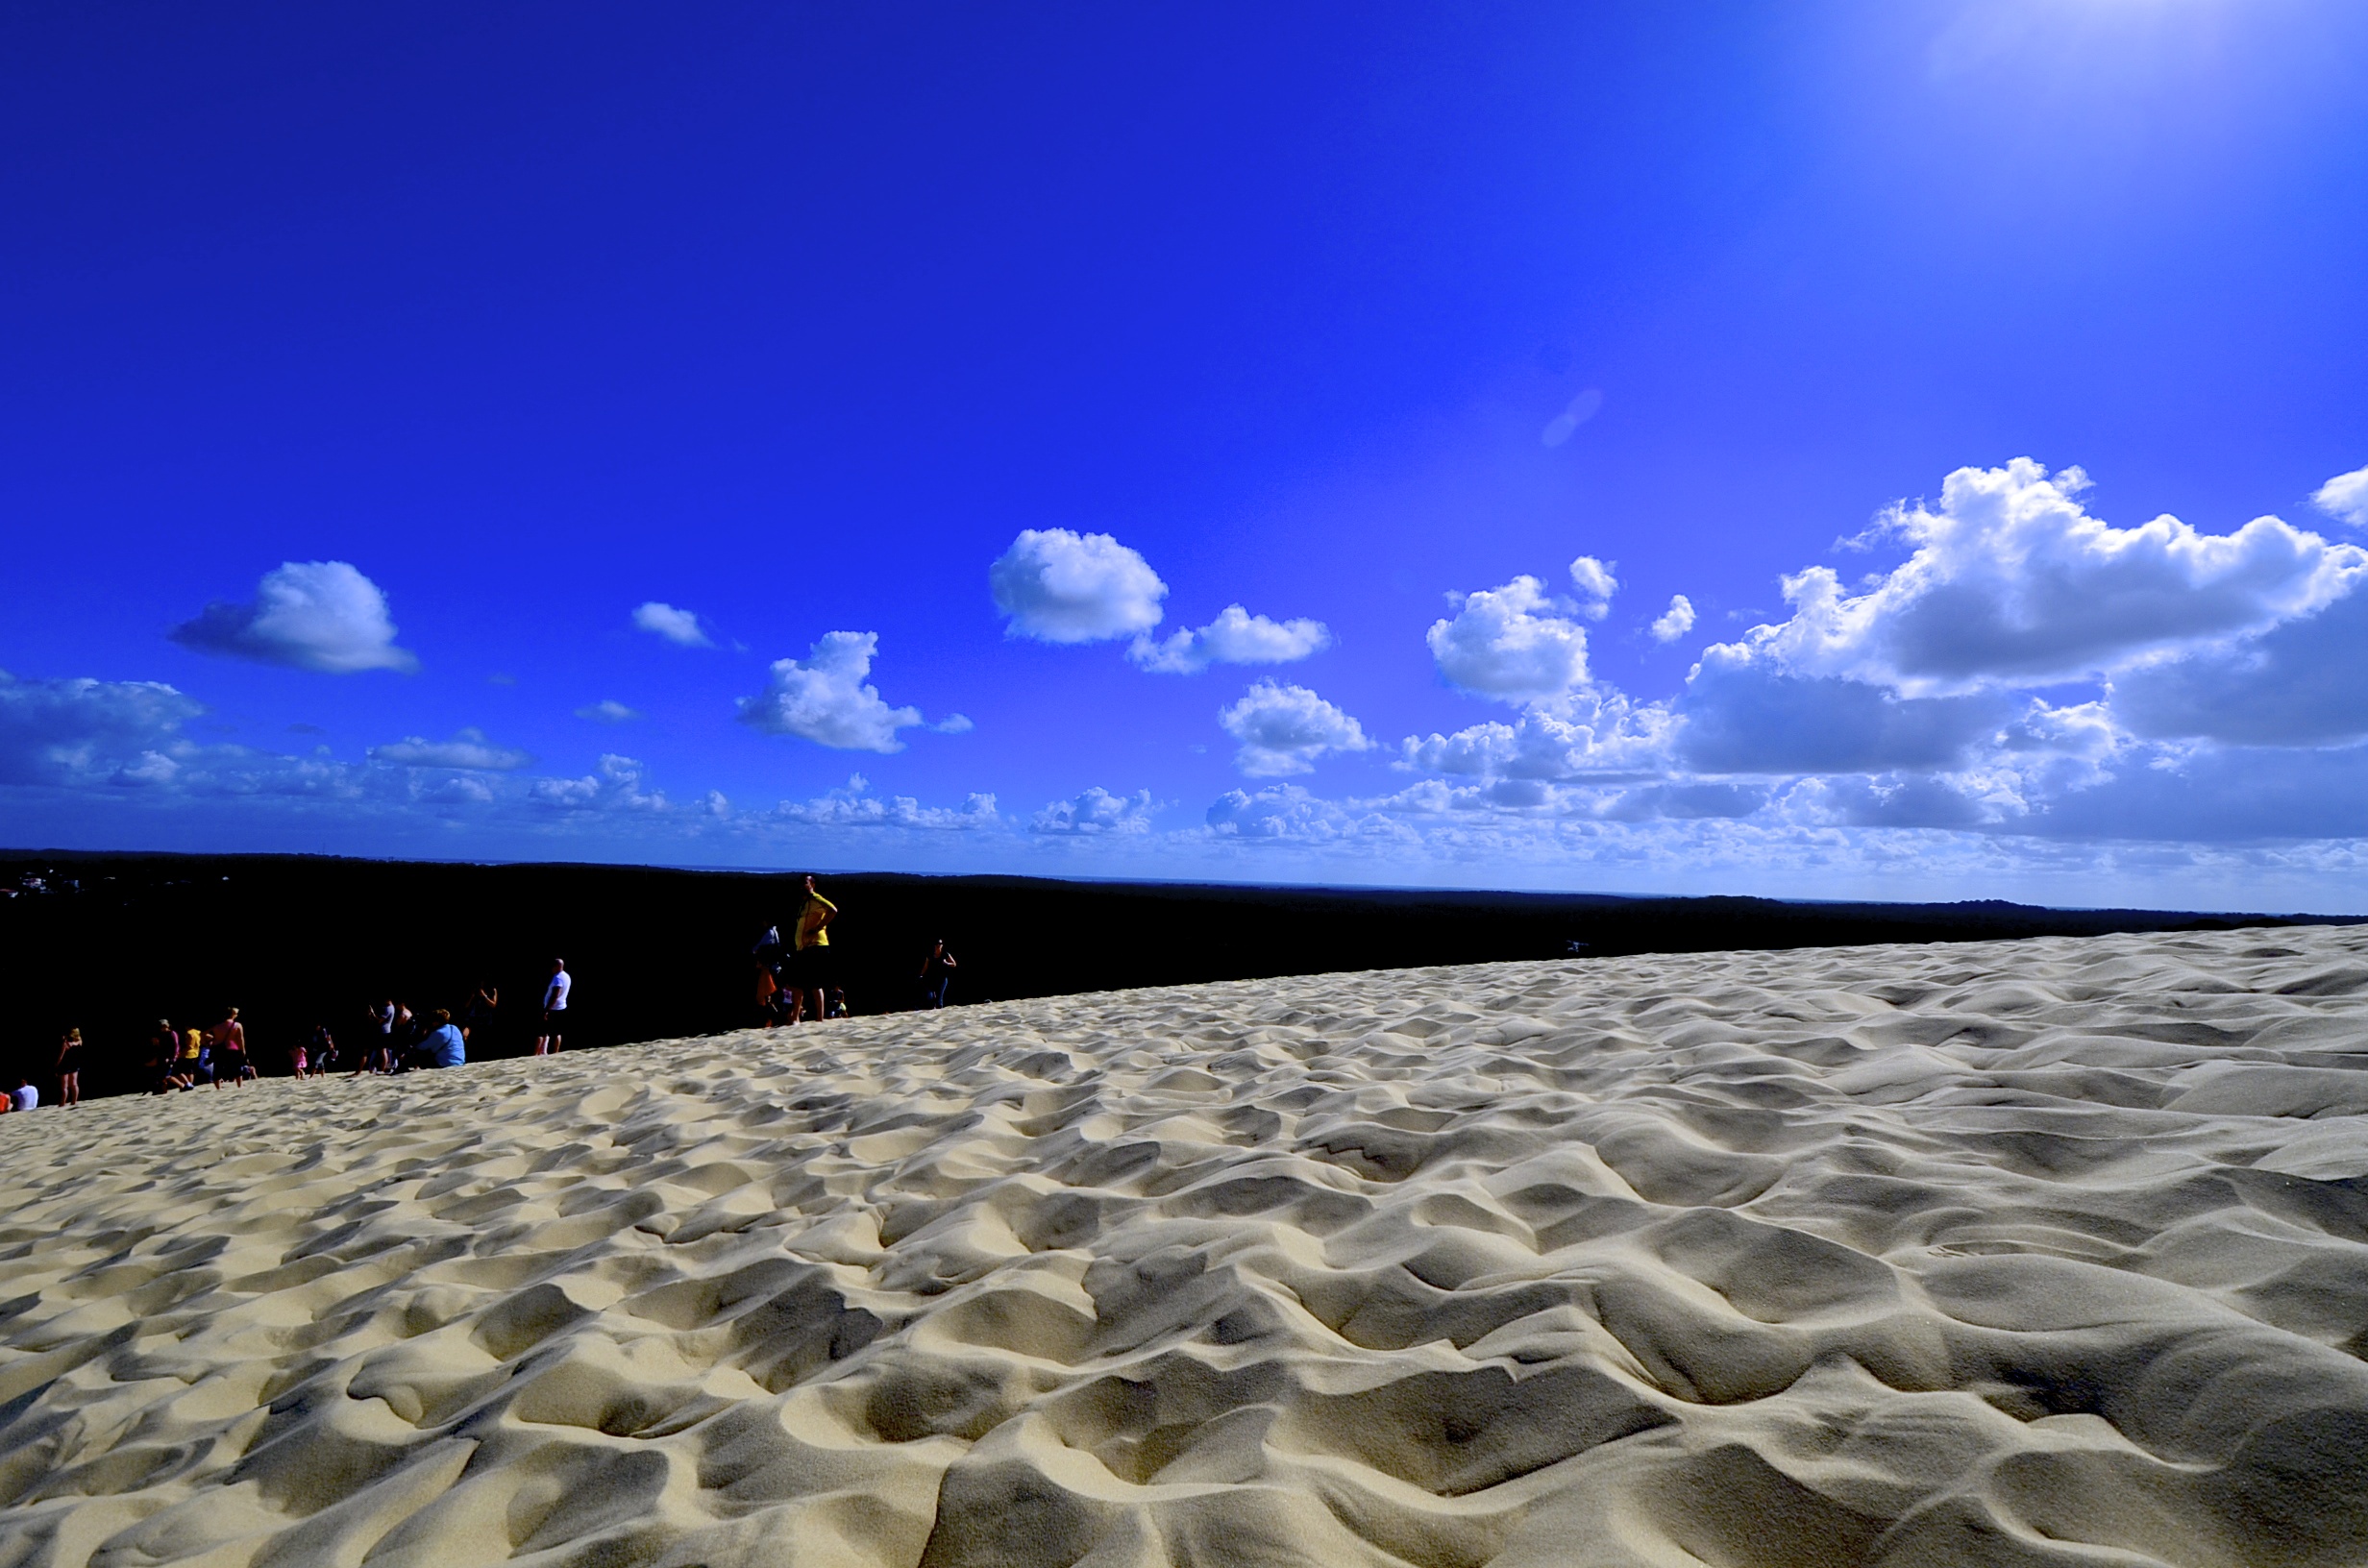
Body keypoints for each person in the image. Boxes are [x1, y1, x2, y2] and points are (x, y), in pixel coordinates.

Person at [785, 876, 836, 1023]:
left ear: (812, 884)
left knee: (810, 983)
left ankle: (815, 1019)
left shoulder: (815, 898)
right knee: (801, 983)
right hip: (804, 948)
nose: (802, 886)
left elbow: (833, 910)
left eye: (805, 883)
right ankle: (798, 1018)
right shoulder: (805, 902)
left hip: (815, 946)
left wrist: (818, 927)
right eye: (801, 883)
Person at [535, 959, 571, 1054]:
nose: (552, 969)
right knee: (557, 1033)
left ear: (557, 966)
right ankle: (555, 1052)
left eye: (553, 967)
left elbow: (555, 995)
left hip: (553, 1008)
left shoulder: (557, 978)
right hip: (562, 1007)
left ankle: (537, 1054)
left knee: (542, 1032)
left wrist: (547, 1010)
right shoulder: (566, 976)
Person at [210, 1007, 250, 1088]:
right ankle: (240, 1085)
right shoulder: (237, 1025)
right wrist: (243, 1049)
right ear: (233, 1015)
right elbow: (240, 1039)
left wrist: (210, 1041)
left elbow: (205, 1034)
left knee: (218, 1068)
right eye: (236, 1014)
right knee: (237, 1067)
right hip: (232, 1048)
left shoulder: (217, 1026)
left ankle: (218, 1088)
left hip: (219, 1049)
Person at [918, 939, 958, 1009]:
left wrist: (947, 963)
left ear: (942, 945)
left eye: (940, 944)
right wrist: (921, 975)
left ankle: (940, 1012)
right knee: (930, 999)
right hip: (931, 980)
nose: (938, 946)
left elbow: (954, 964)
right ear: (934, 946)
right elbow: (925, 966)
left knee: (939, 1001)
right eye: (937, 944)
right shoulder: (930, 955)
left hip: (942, 980)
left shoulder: (945, 954)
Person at [461, 983, 498, 1052]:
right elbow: (466, 1006)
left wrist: (484, 996)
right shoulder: (475, 990)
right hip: (473, 1017)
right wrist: (472, 997)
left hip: (485, 1019)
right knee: (464, 1035)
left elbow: (493, 1004)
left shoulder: (492, 989)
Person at [55, 1028, 86, 1106]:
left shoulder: (66, 1044)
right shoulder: (80, 1041)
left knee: (64, 1087)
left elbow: (60, 1057)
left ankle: (63, 1103)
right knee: (74, 1084)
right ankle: (74, 1101)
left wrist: (56, 1065)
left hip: (65, 1065)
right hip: (75, 1064)